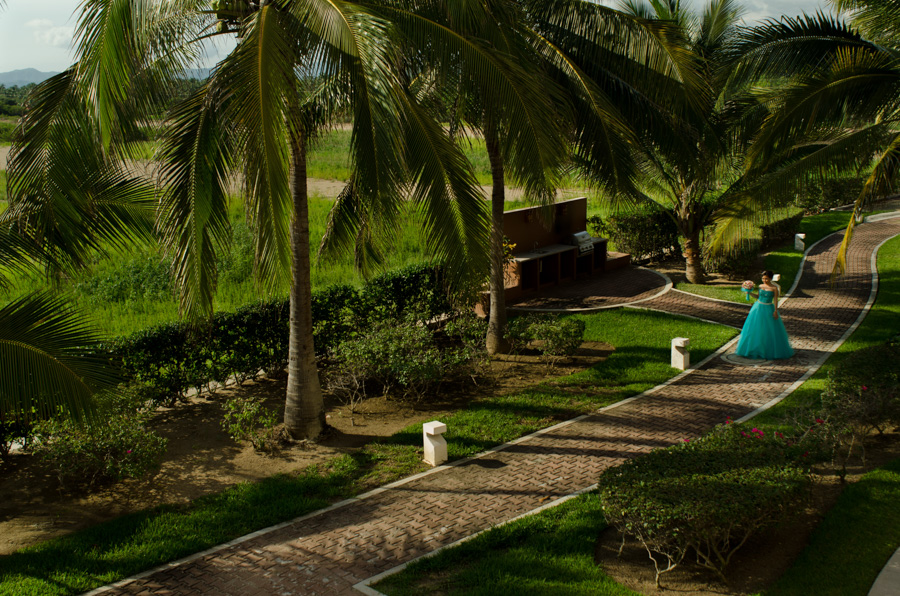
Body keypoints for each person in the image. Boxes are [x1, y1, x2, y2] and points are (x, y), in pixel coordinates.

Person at [735, 270, 794, 360]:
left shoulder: (774, 288)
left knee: (768, 330)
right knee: (755, 329)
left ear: (770, 278)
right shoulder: (760, 286)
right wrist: (749, 293)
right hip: (757, 308)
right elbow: (758, 297)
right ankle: (753, 349)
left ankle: (767, 349)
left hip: (768, 309)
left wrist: (775, 311)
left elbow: (775, 300)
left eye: (766, 279)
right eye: (763, 278)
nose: (764, 280)